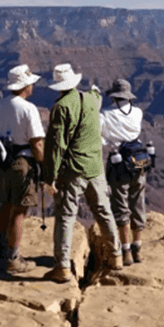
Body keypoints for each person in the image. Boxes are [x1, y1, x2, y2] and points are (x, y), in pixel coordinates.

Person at [39, 63, 122, 283]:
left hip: (73, 172)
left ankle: (63, 267)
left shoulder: (61, 107)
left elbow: (56, 146)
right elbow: (98, 94)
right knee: (104, 211)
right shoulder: (91, 99)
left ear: (58, 86)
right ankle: (116, 255)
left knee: (66, 217)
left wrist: (49, 178)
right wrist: (94, 88)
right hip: (95, 167)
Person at [0, 64, 45, 274]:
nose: (33, 87)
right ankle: (13, 258)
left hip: (4, 162)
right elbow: (37, 143)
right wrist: (43, 166)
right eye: (31, 83)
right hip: (22, 163)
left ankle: (2, 248)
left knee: (5, 205)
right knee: (20, 210)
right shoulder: (28, 109)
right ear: (25, 85)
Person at [99, 78, 146, 266]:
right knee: (138, 203)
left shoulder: (104, 114)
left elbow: (101, 138)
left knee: (121, 206)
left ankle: (125, 251)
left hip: (118, 164)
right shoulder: (138, 112)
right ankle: (138, 248)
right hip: (138, 161)